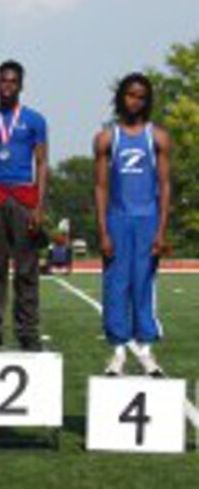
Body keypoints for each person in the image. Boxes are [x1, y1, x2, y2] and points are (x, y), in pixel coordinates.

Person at [94, 72, 171, 377]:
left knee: (143, 284)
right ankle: (117, 353)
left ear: (147, 100)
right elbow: (100, 187)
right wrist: (103, 231)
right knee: (116, 285)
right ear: (120, 98)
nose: (135, 101)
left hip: (148, 219)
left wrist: (161, 230)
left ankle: (146, 351)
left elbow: (165, 186)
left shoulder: (159, 137)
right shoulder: (106, 138)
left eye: (141, 96)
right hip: (117, 219)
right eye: (130, 95)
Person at [0, 60, 48, 351]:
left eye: (13, 82)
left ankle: (27, 332)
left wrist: (40, 206)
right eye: (3, 81)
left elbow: (41, 163)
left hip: (23, 198)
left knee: (27, 270)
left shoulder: (35, 120)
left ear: (21, 86)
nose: (7, 86)